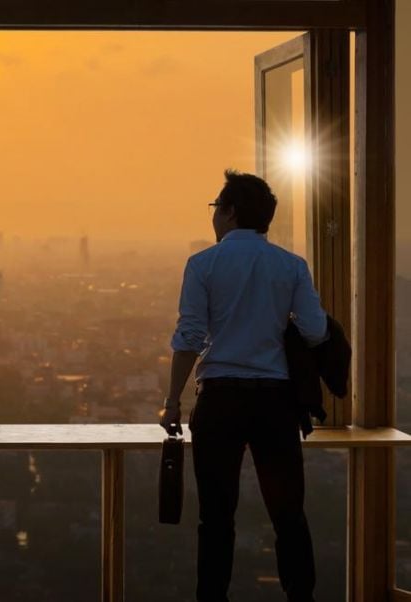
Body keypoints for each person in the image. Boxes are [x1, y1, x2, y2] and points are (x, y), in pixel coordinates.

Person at [159, 170, 328, 602]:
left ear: (230, 213)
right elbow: (314, 329)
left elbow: (190, 337)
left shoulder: (203, 264)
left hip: (220, 399)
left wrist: (172, 402)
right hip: (275, 402)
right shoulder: (291, 266)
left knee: (216, 518)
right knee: (288, 514)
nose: (214, 218)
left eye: (217, 208)